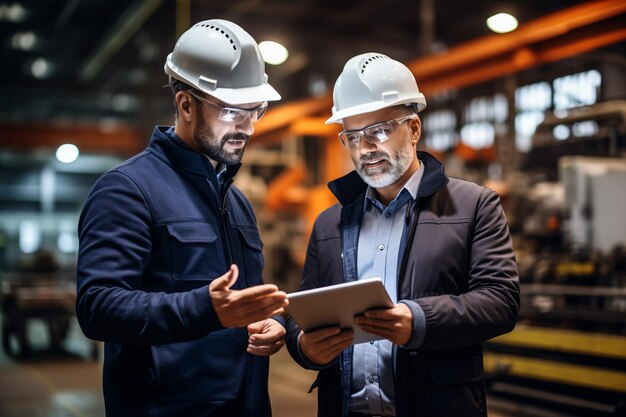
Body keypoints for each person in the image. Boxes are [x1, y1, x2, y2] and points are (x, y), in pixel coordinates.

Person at [286, 53, 520, 417]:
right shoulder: (329, 223)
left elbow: (501, 301)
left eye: (378, 131)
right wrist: (302, 346)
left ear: (413, 129)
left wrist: (419, 320)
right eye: (352, 136)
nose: (365, 149)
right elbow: (302, 311)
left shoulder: (474, 205)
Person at [76, 19, 288, 417]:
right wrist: (204, 310)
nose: (248, 126)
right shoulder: (127, 190)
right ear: (186, 104)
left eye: (255, 110)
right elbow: (97, 306)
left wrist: (271, 326)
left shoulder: (237, 201)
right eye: (231, 111)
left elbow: (242, 307)